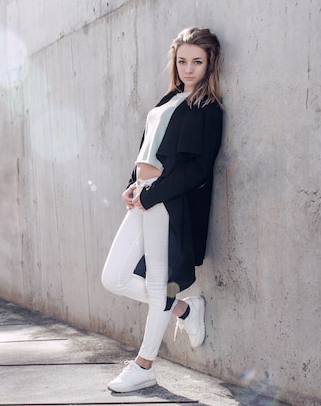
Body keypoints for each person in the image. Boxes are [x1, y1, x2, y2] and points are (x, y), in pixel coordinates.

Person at [101, 26, 224, 393]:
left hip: (166, 200)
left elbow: (199, 169)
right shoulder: (167, 99)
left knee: (158, 285)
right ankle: (184, 309)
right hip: (144, 195)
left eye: (197, 62)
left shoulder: (208, 109)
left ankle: (144, 366)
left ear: (210, 64)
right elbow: (147, 150)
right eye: (183, 60)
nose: (189, 68)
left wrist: (153, 194)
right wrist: (131, 185)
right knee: (114, 278)